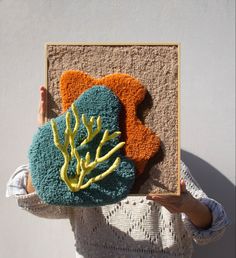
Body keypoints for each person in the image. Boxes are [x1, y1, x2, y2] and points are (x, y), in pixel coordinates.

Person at [6, 86, 229, 258]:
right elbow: (38, 203)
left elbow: (213, 228)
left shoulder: (166, 165)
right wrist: (46, 146)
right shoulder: (78, 170)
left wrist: (188, 206)